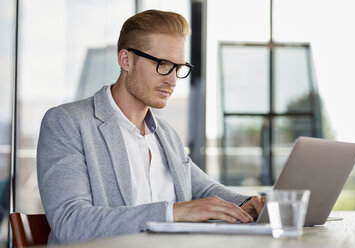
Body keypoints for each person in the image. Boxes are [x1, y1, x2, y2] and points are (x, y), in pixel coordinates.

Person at [37, 9, 265, 245]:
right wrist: (174, 212)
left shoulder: (166, 134)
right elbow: (71, 222)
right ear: (126, 60)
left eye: (178, 67)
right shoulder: (67, 123)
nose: (173, 80)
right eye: (163, 64)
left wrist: (252, 203)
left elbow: (205, 191)